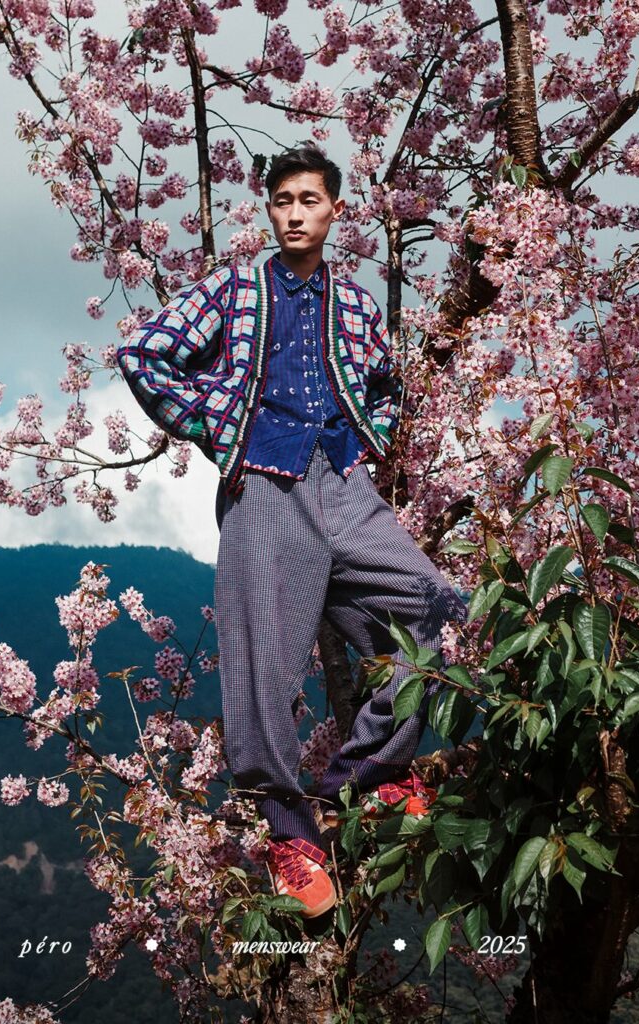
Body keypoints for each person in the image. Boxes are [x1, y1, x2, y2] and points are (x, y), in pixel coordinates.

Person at [117, 145, 466, 919]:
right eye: (283, 201)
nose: (296, 213)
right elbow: (141, 354)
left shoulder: (356, 302)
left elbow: (387, 384)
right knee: (264, 667)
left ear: (335, 210)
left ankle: (368, 775)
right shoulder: (234, 289)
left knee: (436, 609)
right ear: (269, 210)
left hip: (345, 486)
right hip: (266, 488)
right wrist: (220, 428)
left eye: (309, 199)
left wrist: (369, 439)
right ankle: (288, 831)